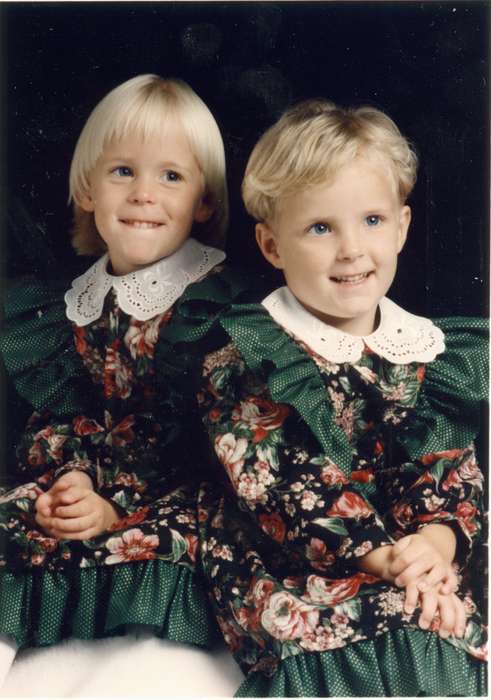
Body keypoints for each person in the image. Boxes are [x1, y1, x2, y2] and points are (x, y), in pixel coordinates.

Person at [196, 99, 487, 696]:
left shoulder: (425, 348)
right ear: (273, 247)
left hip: (407, 542)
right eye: (321, 228)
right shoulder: (254, 354)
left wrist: (434, 543)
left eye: (372, 221)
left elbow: (445, 464)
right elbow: (280, 483)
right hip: (299, 546)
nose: (352, 249)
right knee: (332, 617)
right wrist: (384, 559)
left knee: (450, 600)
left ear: (403, 226)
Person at [0, 74, 255, 685]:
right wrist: (74, 477)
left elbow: (219, 439)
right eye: (123, 172)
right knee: (20, 512)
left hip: (185, 491)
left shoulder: (216, 299)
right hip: (100, 482)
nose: (144, 194)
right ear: (88, 189)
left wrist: (116, 504)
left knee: (165, 551)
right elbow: (68, 413)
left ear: (204, 201)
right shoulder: (74, 301)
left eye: (171, 176)